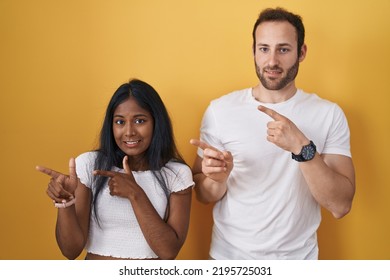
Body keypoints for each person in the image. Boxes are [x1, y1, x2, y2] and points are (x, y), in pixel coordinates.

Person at [190, 7, 355, 259]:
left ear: (301, 53)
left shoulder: (329, 114)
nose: (272, 61)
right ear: (254, 51)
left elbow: (341, 205)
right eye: (264, 48)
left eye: (284, 49)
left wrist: (303, 149)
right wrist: (217, 179)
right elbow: (203, 194)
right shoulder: (220, 110)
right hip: (229, 260)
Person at [37, 79, 194, 260]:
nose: (128, 132)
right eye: (120, 122)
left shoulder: (176, 174)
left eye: (140, 120)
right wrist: (65, 203)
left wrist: (135, 194)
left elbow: (168, 252)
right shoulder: (90, 165)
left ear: (156, 123)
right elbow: (70, 251)